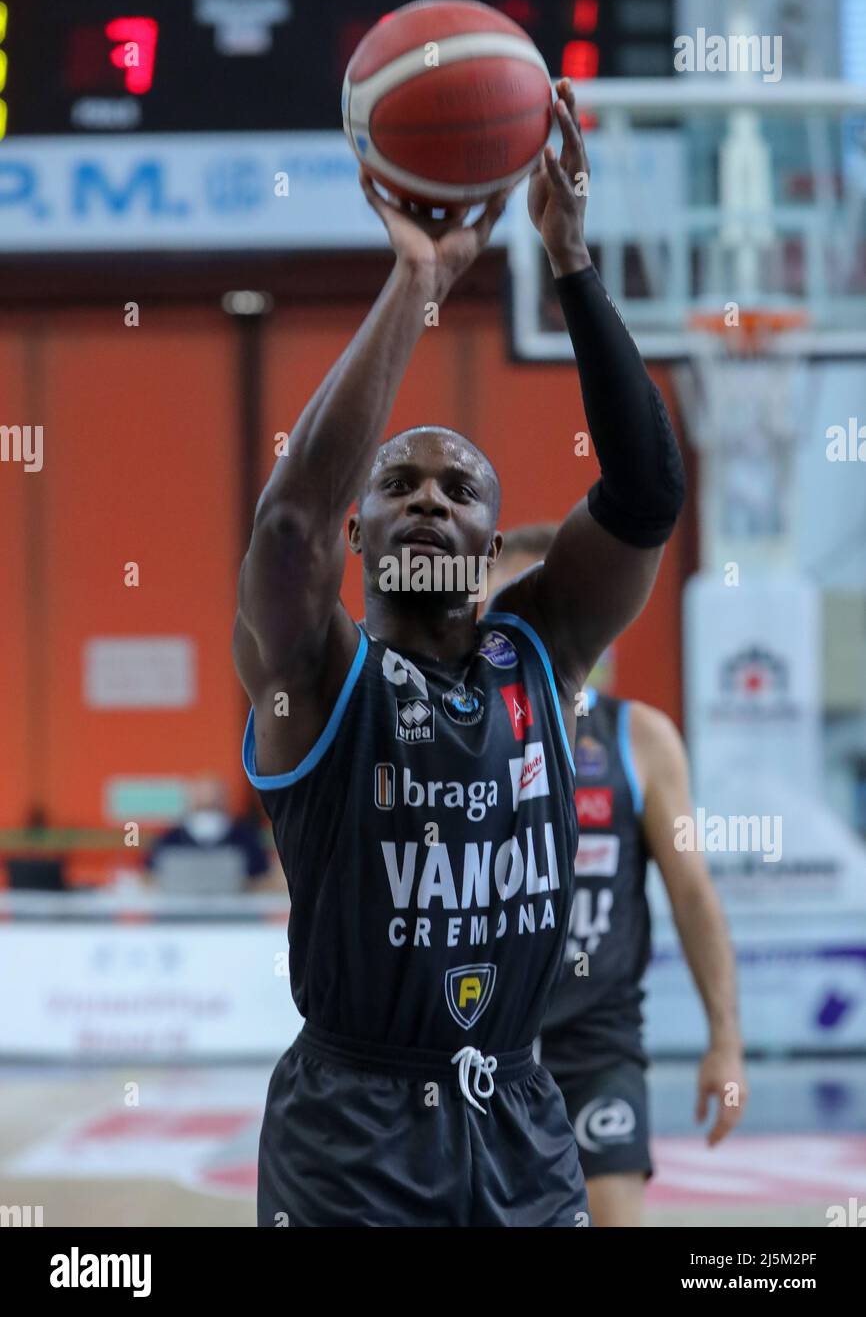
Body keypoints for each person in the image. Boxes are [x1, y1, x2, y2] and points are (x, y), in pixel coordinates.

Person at [234, 78, 685, 1227]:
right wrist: (416, 282)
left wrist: (570, 261)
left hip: (522, 1115)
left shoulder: (540, 646)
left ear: (494, 531)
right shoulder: (322, 681)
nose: (429, 500)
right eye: (397, 484)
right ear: (361, 530)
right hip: (352, 1136)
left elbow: (644, 497)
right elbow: (284, 532)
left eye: (458, 487)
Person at [485, 524, 749, 1227]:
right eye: (518, 602)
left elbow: (693, 893)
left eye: (556, 601)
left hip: (595, 1039)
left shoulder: (644, 740)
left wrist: (725, 1041)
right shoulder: (445, 731)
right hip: (471, 1035)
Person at [145, 774, 272, 889]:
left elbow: (265, 878)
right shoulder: (169, 840)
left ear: (224, 801)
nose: (207, 808)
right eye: (202, 805)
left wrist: (244, 886)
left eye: (213, 805)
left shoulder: (246, 839)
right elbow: (148, 877)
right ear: (191, 802)